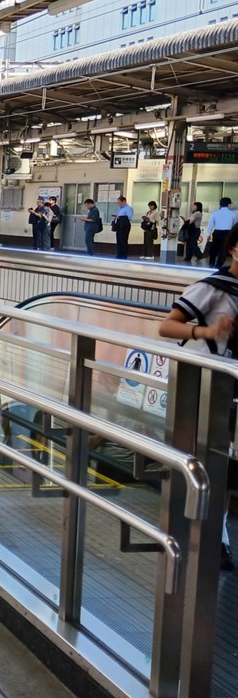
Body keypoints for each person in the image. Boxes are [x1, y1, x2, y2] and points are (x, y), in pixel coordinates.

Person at [157, 227, 238, 571]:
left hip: (231, 387)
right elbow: (167, 326)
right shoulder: (213, 288)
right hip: (209, 385)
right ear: (233, 249)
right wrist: (206, 331)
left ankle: (216, 535)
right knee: (211, 460)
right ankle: (209, 538)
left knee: (225, 466)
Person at [206, 197, 237, 268]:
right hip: (227, 233)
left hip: (217, 232)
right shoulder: (233, 214)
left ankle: (211, 264)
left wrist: (208, 233)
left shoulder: (215, 213)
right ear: (229, 204)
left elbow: (210, 224)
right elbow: (234, 225)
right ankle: (218, 266)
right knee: (223, 250)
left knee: (214, 249)